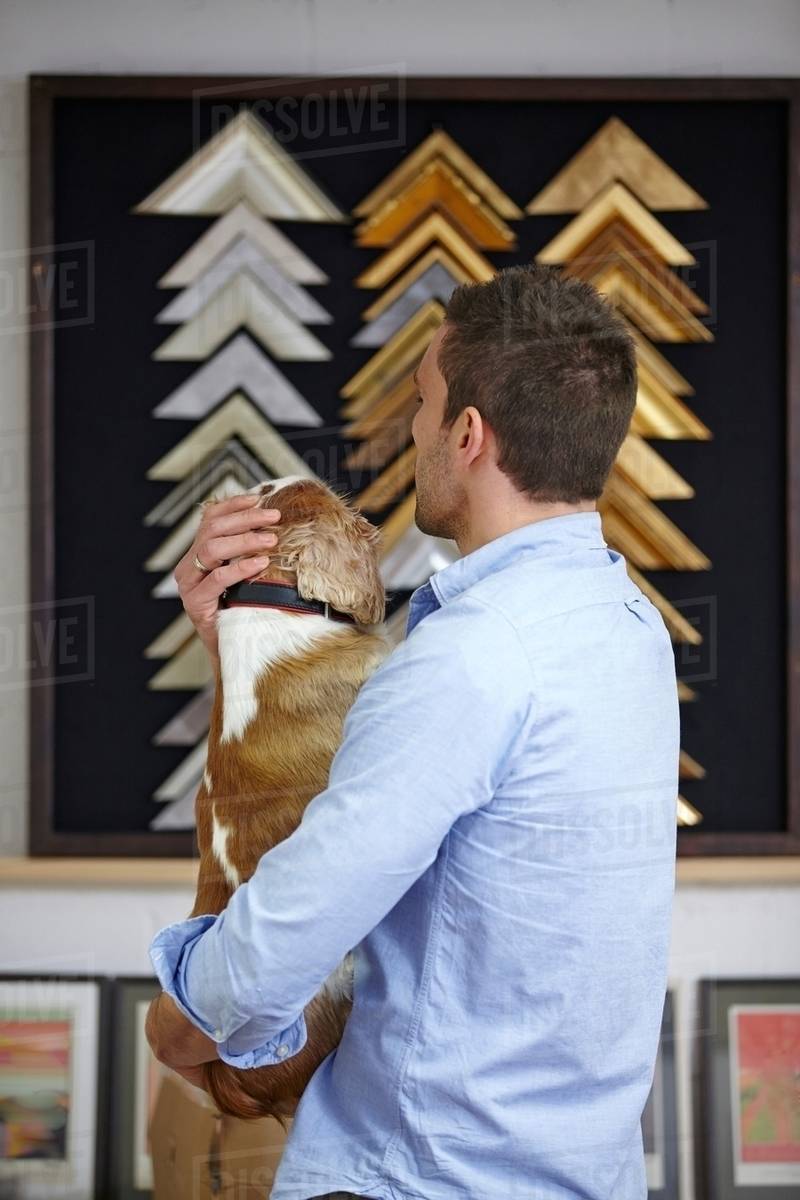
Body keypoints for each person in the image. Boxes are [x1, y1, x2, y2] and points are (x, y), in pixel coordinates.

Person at [146, 263, 679, 1200]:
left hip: (423, 1175)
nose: (418, 429)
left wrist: (181, 1023)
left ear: (467, 435)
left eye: (427, 403)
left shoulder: (471, 658)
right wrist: (235, 641)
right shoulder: (626, 630)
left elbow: (289, 934)